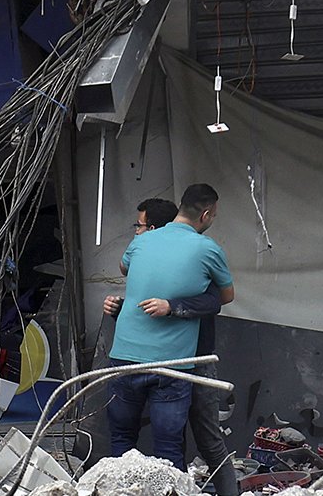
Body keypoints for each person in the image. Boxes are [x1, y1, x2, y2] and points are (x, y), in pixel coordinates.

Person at [104, 201, 236, 496]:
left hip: (190, 364)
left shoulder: (197, 253)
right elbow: (142, 302)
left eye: (139, 227)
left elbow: (216, 300)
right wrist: (119, 308)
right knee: (163, 445)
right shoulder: (151, 252)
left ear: (152, 229)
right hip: (162, 364)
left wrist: (172, 306)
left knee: (203, 443)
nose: (136, 233)